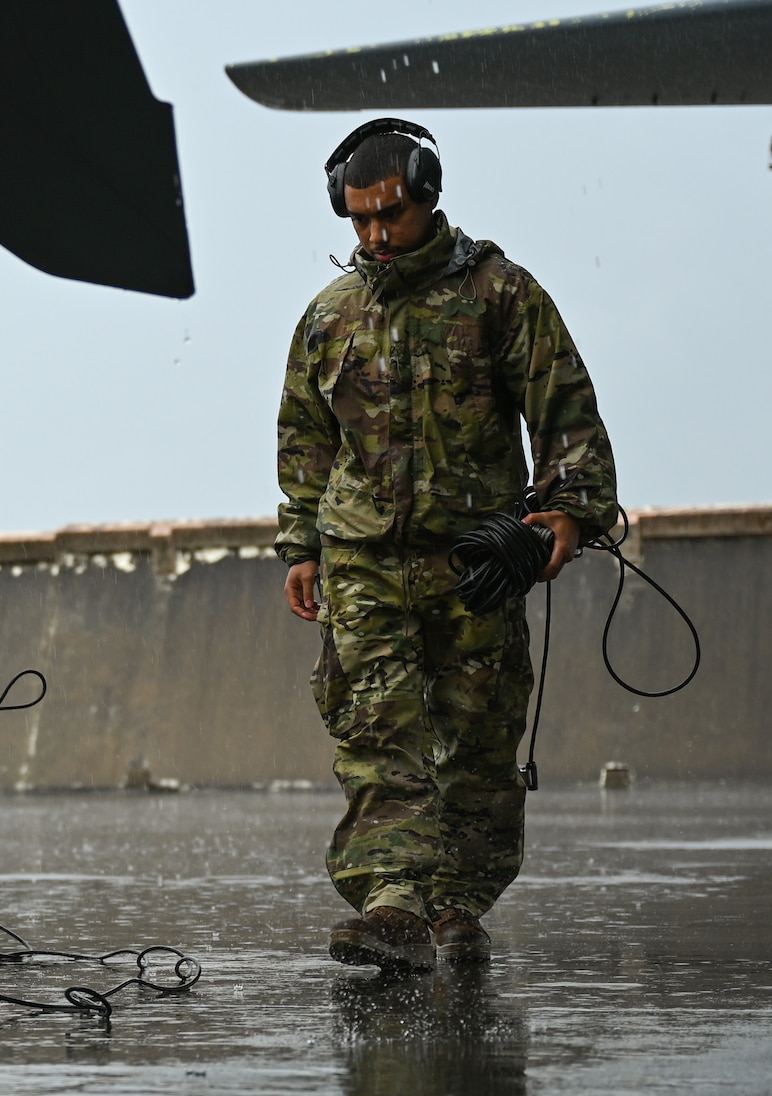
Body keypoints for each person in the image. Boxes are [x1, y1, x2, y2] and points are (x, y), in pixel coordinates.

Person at [274, 119, 617, 972]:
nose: (374, 237)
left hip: (472, 561)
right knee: (376, 730)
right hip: (362, 561)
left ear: (429, 197)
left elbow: (565, 409)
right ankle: (391, 901)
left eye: (389, 217)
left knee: (475, 733)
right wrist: (301, 545)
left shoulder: (502, 295)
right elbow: (305, 437)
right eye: (357, 222)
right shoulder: (330, 316)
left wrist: (568, 513)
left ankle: (457, 905)